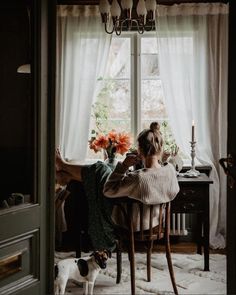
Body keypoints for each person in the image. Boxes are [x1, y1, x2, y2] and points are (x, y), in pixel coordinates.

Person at [55, 122, 179, 250]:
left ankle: (64, 168)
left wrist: (124, 166)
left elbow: (108, 190)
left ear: (140, 150)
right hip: (156, 223)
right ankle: (66, 175)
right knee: (105, 168)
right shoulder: (169, 171)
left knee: (100, 169)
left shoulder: (139, 178)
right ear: (160, 148)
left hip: (132, 224)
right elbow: (173, 182)